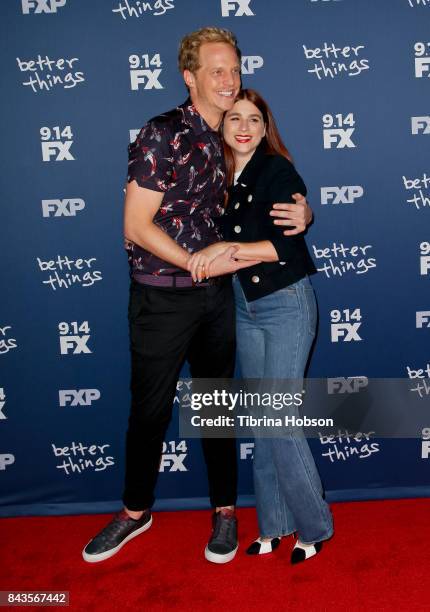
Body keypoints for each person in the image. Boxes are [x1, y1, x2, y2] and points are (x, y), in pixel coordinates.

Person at [82, 28, 312, 565]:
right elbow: (135, 225)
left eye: (234, 69)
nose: (229, 80)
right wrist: (191, 262)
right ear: (189, 77)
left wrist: (305, 214)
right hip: (162, 297)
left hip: (218, 299)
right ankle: (136, 512)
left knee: (216, 407)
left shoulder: (232, 138)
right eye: (216, 70)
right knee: (150, 411)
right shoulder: (163, 134)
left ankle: (225, 512)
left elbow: (276, 192)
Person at [188, 89, 333, 564]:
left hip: (285, 303)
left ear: (266, 127)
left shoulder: (277, 170)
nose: (244, 126)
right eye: (235, 118)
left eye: (254, 118)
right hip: (243, 307)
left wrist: (223, 253)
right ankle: (273, 526)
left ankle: (314, 527)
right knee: (262, 423)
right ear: (222, 125)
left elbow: (284, 247)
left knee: (280, 422)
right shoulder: (216, 176)